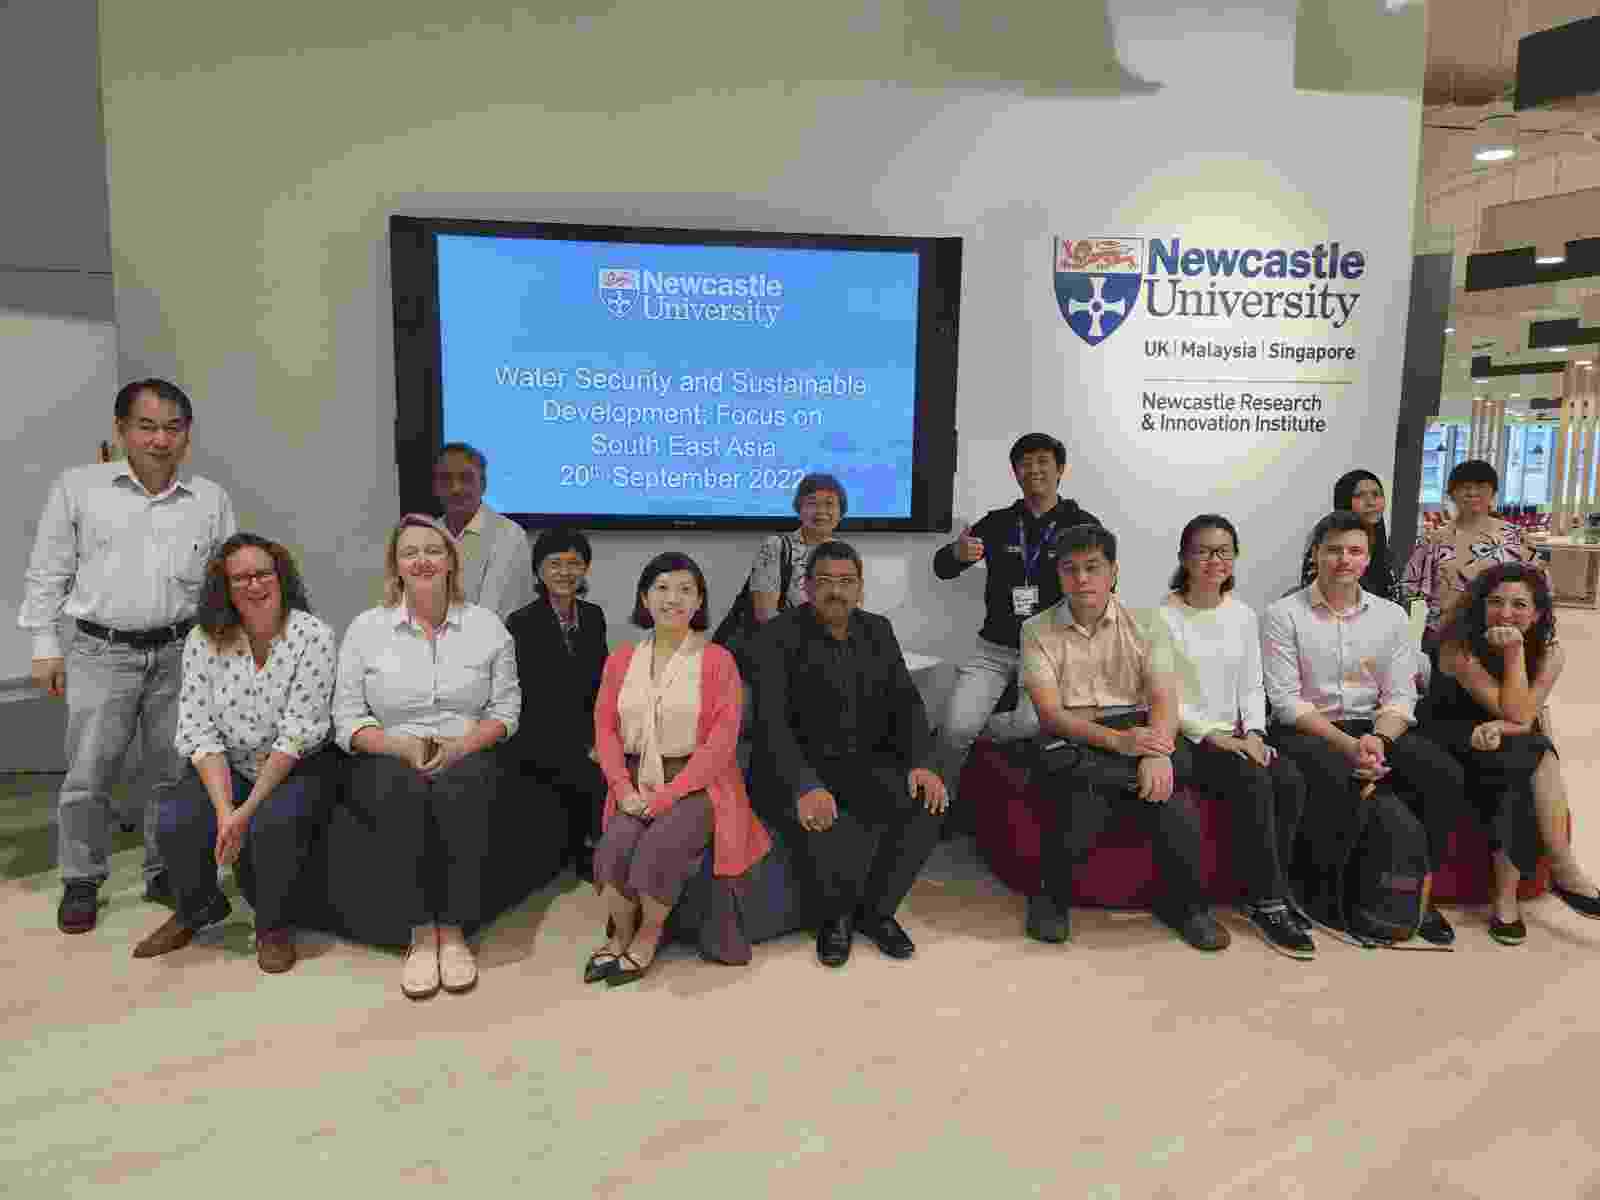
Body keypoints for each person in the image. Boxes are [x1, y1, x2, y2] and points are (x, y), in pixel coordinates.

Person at [19, 379, 237, 935]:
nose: (160, 439)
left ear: (187, 435)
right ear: (121, 431)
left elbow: (224, 583)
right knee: (89, 773)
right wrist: (44, 644)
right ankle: (81, 877)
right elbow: (48, 571)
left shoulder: (209, 498)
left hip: (180, 652)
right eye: (147, 426)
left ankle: (164, 869)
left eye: (172, 427)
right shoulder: (79, 488)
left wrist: (225, 648)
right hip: (100, 649)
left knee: (170, 772)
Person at [333, 513, 520, 999]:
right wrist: (398, 746)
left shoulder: (487, 627)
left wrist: (462, 746)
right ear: (395, 566)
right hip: (389, 752)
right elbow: (347, 718)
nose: (422, 560)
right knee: (402, 795)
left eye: (433, 551)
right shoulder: (366, 629)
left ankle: (454, 931)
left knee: (463, 793)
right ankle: (420, 933)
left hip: (467, 747)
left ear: (451, 562)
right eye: (410, 552)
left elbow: (506, 710)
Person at [1020, 523, 1229, 952]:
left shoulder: (1149, 622)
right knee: (1072, 787)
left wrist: (1157, 752)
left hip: (1137, 730)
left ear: (1113, 572)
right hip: (1075, 735)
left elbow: (1164, 697)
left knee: (1171, 795)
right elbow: (1051, 715)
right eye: (1070, 569)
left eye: (1092, 568)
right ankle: (1051, 898)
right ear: (1058, 575)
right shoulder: (1036, 630)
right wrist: (1120, 746)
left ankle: (1187, 908)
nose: (1081, 579)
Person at [134, 534, 338, 972]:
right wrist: (226, 807)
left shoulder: (314, 636)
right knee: (177, 819)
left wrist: (245, 813)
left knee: (273, 825)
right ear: (224, 587)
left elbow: (296, 734)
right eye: (240, 577)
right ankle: (198, 907)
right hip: (230, 763)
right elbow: (198, 729)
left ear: (280, 578)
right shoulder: (203, 639)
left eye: (263, 573)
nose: (253, 584)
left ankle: (273, 925)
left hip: (298, 766)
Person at [1263, 510, 1468, 944]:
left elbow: (1400, 695)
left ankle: (1416, 892)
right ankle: (1320, 893)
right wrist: (1348, 745)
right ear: (1315, 554)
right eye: (1333, 550)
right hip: (1310, 727)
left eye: (1354, 551)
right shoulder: (1284, 614)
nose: (1344, 560)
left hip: (1376, 727)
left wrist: (1378, 738)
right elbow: (1285, 701)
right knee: (1336, 775)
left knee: (1442, 774)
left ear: (1368, 558)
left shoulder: (1392, 618)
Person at [751, 540, 948, 968]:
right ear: (806, 587)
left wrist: (921, 763)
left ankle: (876, 913)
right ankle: (834, 919)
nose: (835, 590)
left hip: (860, 764)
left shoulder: (878, 629)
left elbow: (907, 705)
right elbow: (771, 724)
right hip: (793, 770)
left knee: (928, 805)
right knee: (828, 818)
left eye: (846, 582)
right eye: (824, 581)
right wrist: (804, 786)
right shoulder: (777, 635)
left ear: (860, 589)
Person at [587, 552, 771, 986]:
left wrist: (668, 796)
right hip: (634, 779)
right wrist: (623, 788)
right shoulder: (621, 659)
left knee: (659, 848)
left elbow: (721, 744)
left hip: (700, 783)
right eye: (663, 588)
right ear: (645, 598)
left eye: (686, 589)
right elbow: (605, 729)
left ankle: (648, 938)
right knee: (612, 848)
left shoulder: (718, 660)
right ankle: (621, 938)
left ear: (700, 600)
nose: (674, 599)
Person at [1159, 516, 1313, 958]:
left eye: (1224, 550)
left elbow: (1251, 684)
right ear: (1185, 557)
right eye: (1204, 550)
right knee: (1252, 778)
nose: (1214, 560)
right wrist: (1214, 737)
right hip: (1186, 735)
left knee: (1290, 779)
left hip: (1238, 732)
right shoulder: (1163, 617)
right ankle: (1266, 901)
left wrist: (1257, 732)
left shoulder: (1244, 615)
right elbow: (1164, 693)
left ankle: (1276, 890)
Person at [1425, 563, 1600, 943]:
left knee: (1522, 758)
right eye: (1496, 602)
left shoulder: (1552, 652)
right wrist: (1515, 652)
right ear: (1480, 606)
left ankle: (1510, 897)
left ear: (1537, 614)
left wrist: (1504, 725)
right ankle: (1560, 868)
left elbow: (1523, 714)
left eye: (1519, 605)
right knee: (1532, 749)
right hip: (1452, 739)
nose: (1506, 613)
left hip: (1505, 738)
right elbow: (1518, 713)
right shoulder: (1458, 647)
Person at [932, 433, 1101, 822]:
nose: (1034, 469)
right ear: (1015, 472)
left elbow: (1105, 586)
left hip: (1051, 651)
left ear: (1060, 470)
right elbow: (942, 568)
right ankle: (939, 808)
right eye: (1024, 463)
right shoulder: (999, 522)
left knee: (1029, 722)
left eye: (1043, 461)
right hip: (994, 648)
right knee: (955, 730)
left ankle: (978, 736)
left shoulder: (1082, 525)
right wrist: (956, 554)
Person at [506, 528, 609, 882]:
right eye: (555, 564)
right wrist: (584, 745)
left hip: (585, 728)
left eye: (574, 564)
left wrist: (600, 737)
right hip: (539, 731)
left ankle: (604, 848)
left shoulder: (593, 617)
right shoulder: (520, 622)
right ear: (538, 571)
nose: (565, 573)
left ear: (585, 569)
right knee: (586, 769)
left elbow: (601, 685)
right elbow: (533, 695)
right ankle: (588, 849)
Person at [1404, 459, 1539, 653]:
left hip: (1504, 635)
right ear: (1451, 494)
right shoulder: (1433, 540)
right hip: (1446, 637)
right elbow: (1409, 591)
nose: (1473, 493)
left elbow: (1540, 590)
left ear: (1493, 492)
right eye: (1464, 487)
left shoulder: (1515, 537)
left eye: (1481, 486)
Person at [432, 442, 537, 619]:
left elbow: (493, 616)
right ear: (435, 487)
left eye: (465, 478)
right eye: (446, 479)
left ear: (483, 484)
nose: (455, 488)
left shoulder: (508, 535)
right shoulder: (427, 534)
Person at [748, 472, 848, 623]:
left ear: (841, 513)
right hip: (784, 643)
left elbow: (851, 608)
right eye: (812, 503)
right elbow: (764, 615)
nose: (821, 511)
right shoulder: (776, 546)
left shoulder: (845, 553)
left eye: (829, 504)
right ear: (799, 510)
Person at [1298, 469, 1402, 603]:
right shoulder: (1326, 535)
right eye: (1360, 495)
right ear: (1344, 499)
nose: (1371, 502)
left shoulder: (1379, 539)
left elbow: (1392, 595)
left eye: (1376, 495)